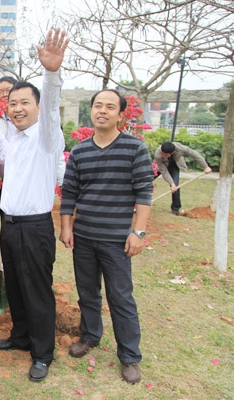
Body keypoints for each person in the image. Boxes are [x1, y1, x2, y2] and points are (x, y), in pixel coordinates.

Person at [0, 28, 68, 383]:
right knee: (17, 286)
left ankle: (42, 353)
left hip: (35, 228)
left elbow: (51, 109)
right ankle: (20, 336)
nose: (17, 108)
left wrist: (51, 73)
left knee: (36, 290)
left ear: (36, 106)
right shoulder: (15, 140)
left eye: (24, 102)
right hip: (10, 226)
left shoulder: (47, 138)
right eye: (12, 104)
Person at [59, 89, 155, 384]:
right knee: (87, 292)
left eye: (110, 107)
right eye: (98, 105)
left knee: (120, 297)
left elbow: (144, 193)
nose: (102, 110)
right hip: (84, 238)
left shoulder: (135, 148)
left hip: (116, 240)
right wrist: (66, 226)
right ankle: (90, 336)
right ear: (91, 110)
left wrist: (138, 232)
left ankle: (129, 355)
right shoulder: (80, 151)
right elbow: (69, 192)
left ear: (120, 114)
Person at [153, 141, 212, 215]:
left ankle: (175, 208)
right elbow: (164, 171)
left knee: (176, 187)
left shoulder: (180, 148)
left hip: (174, 166)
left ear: (172, 153)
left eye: (165, 155)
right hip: (160, 166)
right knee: (145, 179)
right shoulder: (158, 155)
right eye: (162, 153)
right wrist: (171, 182)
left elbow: (194, 154)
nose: (163, 155)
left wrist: (205, 166)